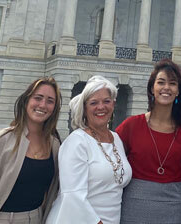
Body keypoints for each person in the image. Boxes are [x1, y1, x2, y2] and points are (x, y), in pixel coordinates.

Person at [0, 77, 62, 223]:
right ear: (26, 101)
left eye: (50, 101)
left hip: (36, 218)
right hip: (0, 219)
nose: (43, 105)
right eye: (38, 98)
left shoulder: (54, 146)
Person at [117, 59, 181, 224]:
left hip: (173, 207)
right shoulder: (131, 126)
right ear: (152, 89)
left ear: (178, 91)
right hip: (134, 205)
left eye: (172, 83)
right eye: (161, 82)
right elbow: (113, 161)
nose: (166, 87)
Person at [46, 75, 132, 223]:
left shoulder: (116, 139)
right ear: (85, 108)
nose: (101, 107)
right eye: (94, 103)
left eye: (106, 101)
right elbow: (72, 195)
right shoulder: (76, 142)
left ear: (113, 104)